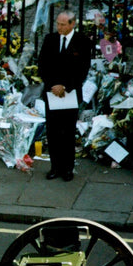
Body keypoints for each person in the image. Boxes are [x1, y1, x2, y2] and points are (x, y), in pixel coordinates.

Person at [38, 9, 92, 182]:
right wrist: (53, 85)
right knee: (52, 131)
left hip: (70, 93)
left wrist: (65, 86)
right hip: (52, 92)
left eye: (62, 24)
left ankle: (67, 168)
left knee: (67, 132)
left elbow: (82, 69)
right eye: (57, 24)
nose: (59, 27)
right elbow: (43, 65)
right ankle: (55, 167)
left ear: (72, 24)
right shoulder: (50, 39)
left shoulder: (82, 42)